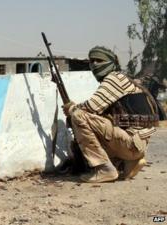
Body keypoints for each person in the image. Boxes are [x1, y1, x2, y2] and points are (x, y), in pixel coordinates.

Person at [62, 46, 159, 183]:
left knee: (79, 116)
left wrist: (71, 108)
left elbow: (90, 108)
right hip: (137, 144)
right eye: (92, 61)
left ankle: (104, 169)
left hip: (131, 143)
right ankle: (129, 162)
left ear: (111, 63)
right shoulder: (123, 79)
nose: (94, 64)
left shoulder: (114, 78)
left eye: (99, 60)